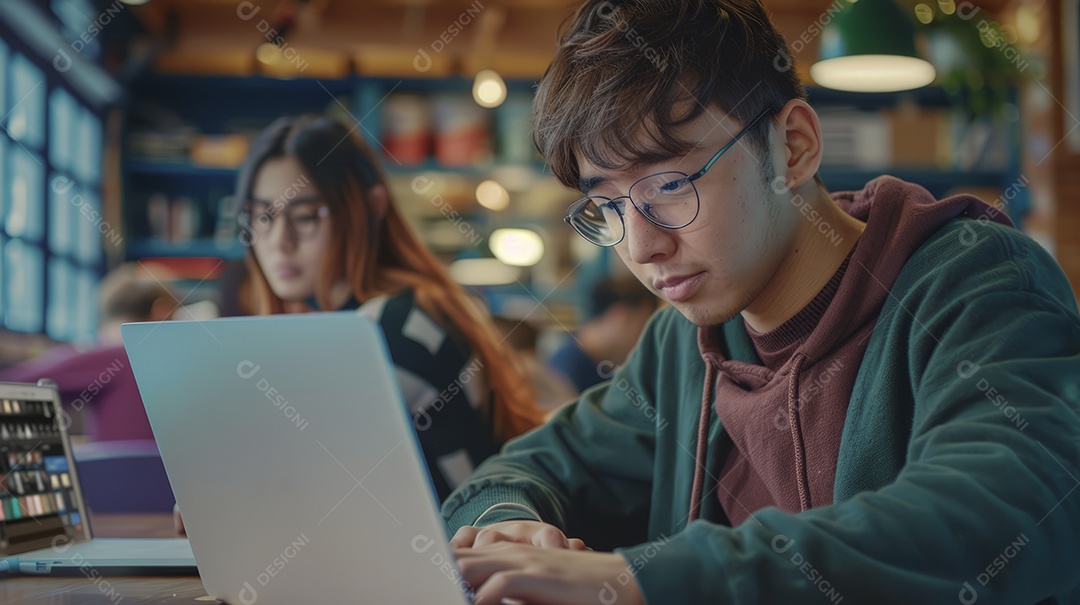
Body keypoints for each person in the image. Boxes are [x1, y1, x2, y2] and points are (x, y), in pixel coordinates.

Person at [442, 2, 1080, 604]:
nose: (640, 246)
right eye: (608, 206)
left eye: (670, 185)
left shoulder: (979, 283)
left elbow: (1007, 507)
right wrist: (509, 527)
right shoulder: (683, 345)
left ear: (792, 148)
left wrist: (650, 581)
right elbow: (524, 471)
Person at [236, 114, 544, 502]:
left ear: (372, 207)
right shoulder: (403, 308)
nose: (279, 241)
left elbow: (298, 489)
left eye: (305, 216)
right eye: (263, 216)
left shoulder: (389, 326)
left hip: (459, 554)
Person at [0, 263, 175, 441]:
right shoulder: (179, 366)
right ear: (162, 312)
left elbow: (12, 385)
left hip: (116, 467)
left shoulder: (115, 357)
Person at [548, 276, 659, 392]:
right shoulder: (565, 374)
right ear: (621, 317)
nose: (649, 336)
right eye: (644, 324)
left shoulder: (603, 365)